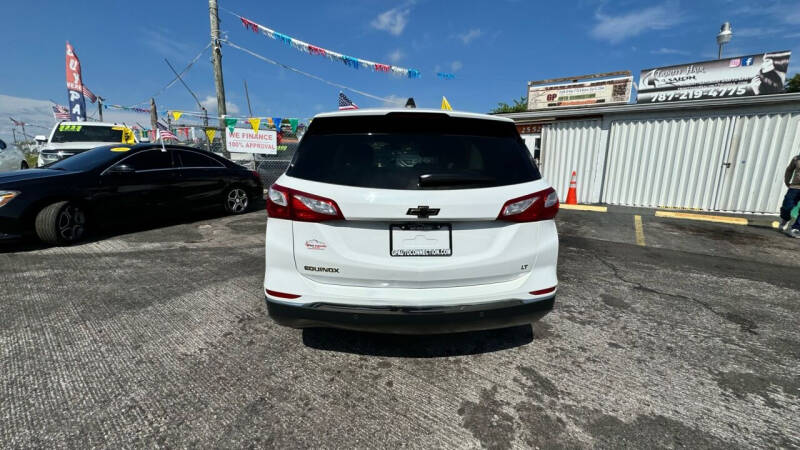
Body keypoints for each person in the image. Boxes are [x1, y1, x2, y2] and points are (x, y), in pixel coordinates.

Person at [779, 153, 800, 237]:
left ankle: (797, 228)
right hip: (795, 187)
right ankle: (785, 219)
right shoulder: (796, 159)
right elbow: (789, 169)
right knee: (787, 205)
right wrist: (787, 181)